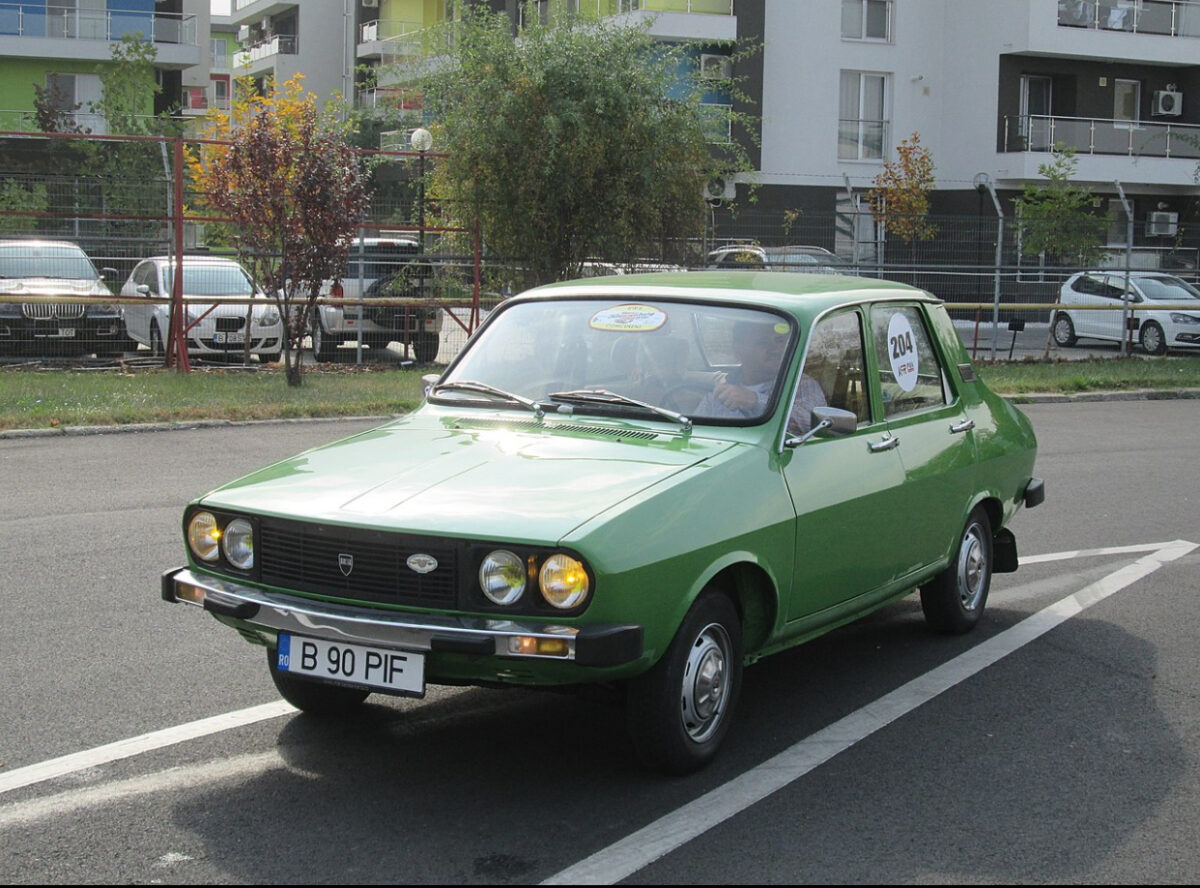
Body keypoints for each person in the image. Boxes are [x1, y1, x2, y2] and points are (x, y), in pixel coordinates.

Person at [695, 319, 827, 431]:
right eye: (763, 342)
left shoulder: (800, 384)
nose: (775, 349)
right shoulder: (720, 392)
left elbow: (814, 426)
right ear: (739, 350)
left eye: (779, 341)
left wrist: (755, 401)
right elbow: (693, 431)